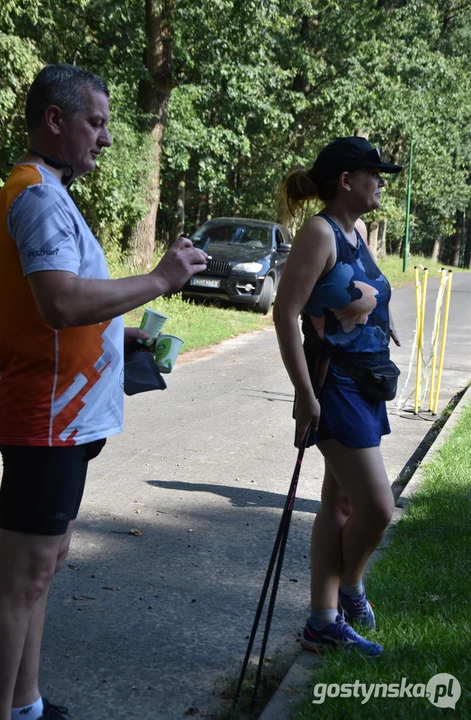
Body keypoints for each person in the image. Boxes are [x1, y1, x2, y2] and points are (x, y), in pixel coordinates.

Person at [0, 63, 207, 720]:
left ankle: (24, 703)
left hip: (66, 419)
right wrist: (161, 279)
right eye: (97, 122)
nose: (106, 139)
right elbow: (58, 302)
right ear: (54, 120)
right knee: (22, 577)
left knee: (44, 565)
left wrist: (125, 337)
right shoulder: (35, 196)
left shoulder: (45, 191)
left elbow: (69, 307)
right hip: (46, 418)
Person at [273, 136, 402, 657]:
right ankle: (350, 585)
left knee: (341, 503)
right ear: (346, 181)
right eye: (373, 173)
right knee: (378, 505)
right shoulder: (318, 233)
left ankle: (322, 622)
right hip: (335, 385)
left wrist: (381, 319)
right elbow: (286, 313)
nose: (381, 182)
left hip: (367, 380)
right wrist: (304, 394)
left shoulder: (358, 229)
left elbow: (363, 287)